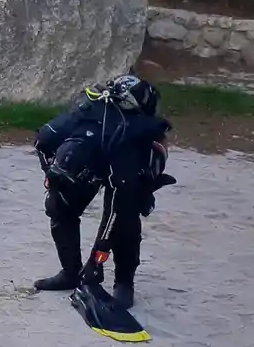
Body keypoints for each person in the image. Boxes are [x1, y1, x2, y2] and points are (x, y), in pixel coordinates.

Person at [31, 76, 172, 311]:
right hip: (92, 158)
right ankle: (70, 273)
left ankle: (124, 283)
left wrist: (97, 260)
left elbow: (115, 212)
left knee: (126, 219)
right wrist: (51, 175)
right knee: (59, 205)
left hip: (131, 164)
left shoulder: (128, 146)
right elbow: (41, 143)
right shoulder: (78, 121)